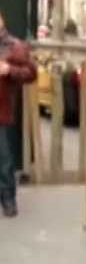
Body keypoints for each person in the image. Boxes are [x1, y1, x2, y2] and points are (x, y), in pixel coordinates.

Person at [0, 12, 37, 218]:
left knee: (4, 160)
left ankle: (8, 199)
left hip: (2, 110)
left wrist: (9, 70)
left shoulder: (15, 46)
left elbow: (32, 73)